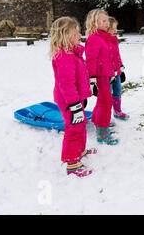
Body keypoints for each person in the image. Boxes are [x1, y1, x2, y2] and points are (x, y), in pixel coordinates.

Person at [49, 17, 96, 177]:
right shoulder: (64, 57)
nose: (80, 35)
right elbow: (66, 85)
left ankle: (79, 150)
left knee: (80, 125)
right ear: (64, 35)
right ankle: (72, 163)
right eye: (75, 33)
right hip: (70, 101)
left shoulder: (72, 53)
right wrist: (75, 107)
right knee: (74, 129)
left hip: (75, 99)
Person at [85, 9, 119, 145]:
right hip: (99, 76)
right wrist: (92, 80)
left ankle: (96, 120)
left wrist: (112, 73)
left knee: (103, 100)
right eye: (103, 21)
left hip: (106, 75)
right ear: (94, 23)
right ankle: (102, 131)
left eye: (107, 20)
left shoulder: (103, 37)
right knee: (106, 101)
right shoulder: (94, 38)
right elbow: (91, 60)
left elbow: (108, 57)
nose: (107, 23)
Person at [108, 17, 130, 120]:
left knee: (117, 92)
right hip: (108, 74)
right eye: (113, 29)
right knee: (107, 96)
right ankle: (106, 117)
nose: (115, 31)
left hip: (117, 72)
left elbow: (117, 55)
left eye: (116, 28)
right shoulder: (103, 42)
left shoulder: (114, 39)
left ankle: (117, 111)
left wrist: (121, 67)